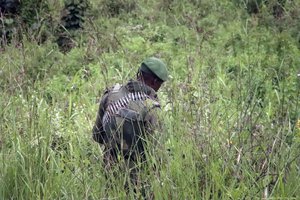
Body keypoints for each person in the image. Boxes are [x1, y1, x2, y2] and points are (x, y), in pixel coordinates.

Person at [92, 57, 168, 192]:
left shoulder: (111, 95)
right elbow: (157, 154)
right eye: (160, 84)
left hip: (110, 172)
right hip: (139, 180)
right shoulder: (151, 108)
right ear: (154, 81)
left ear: (139, 73)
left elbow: (97, 135)